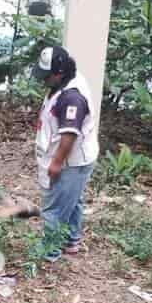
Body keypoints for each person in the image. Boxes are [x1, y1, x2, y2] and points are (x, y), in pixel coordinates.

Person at [32, 45, 98, 261]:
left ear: (58, 73)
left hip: (71, 161)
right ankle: (71, 240)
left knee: (54, 208)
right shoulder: (65, 80)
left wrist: (56, 163)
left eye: (47, 76)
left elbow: (70, 134)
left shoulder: (72, 98)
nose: (44, 80)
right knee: (73, 200)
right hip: (74, 159)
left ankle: (49, 250)